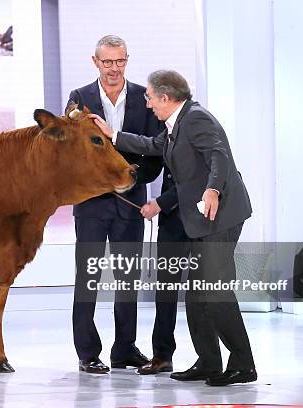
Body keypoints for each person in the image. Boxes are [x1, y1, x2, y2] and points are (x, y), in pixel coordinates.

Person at [90, 69, 257, 386]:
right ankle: (209, 361)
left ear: (165, 97)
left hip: (220, 217)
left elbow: (218, 155)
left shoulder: (196, 119)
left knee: (215, 291)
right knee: (196, 294)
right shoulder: (176, 124)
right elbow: (153, 145)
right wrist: (113, 135)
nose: (147, 103)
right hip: (202, 220)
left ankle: (243, 364)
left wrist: (213, 190)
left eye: (150, 97)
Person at [67, 35, 163, 375]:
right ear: (95, 62)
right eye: (107, 62)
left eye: (119, 61)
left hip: (131, 203)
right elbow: (71, 152)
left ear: (127, 60)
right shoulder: (79, 98)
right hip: (91, 204)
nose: (113, 68)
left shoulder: (142, 97)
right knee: (88, 278)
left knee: (127, 279)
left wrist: (133, 177)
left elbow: (155, 149)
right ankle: (88, 352)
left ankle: (124, 349)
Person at [135, 165, 190, 375]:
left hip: (201, 219)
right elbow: (148, 147)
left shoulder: (202, 133)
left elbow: (194, 177)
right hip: (171, 222)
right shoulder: (165, 136)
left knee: (203, 293)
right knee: (166, 290)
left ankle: (209, 359)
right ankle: (162, 355)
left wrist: (160, 203)